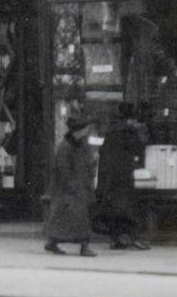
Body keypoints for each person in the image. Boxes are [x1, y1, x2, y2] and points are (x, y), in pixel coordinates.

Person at [96, 103, 151, 249]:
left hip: (109, 178)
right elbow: (139, 149)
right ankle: (135, 238)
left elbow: (102, 152)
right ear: (131, 119)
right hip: (124, 177)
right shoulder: (129, 133)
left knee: (114, 209)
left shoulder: (110, 132)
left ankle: (116, 239)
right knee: (129, 208)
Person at [43, 119, 98, 257]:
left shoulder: (80, 144)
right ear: (79, 130)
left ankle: (53, 242)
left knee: (65, 218)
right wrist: (75, 185)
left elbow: (86, 163)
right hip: (69, 189)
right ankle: (84, 246)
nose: (87, 132)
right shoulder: (66, 146)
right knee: (79, 217)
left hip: (77, 187)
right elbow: (63, 169)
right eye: (85, 129)